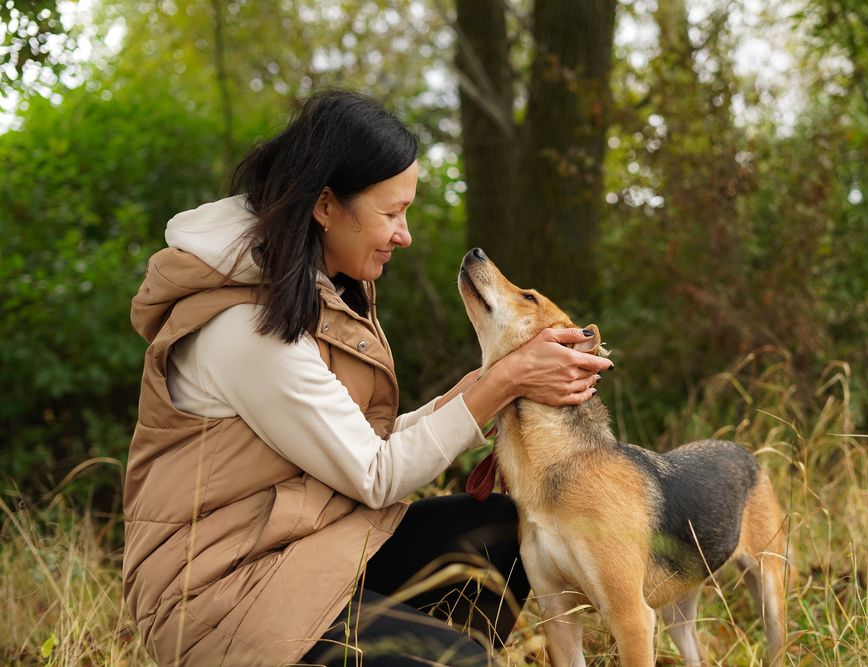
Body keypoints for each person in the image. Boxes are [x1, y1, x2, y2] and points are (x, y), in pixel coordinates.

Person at [122, 89, 613, 666]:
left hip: (307, 546)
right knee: (452, 661)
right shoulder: (246, 329)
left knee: (495, 532)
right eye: (391, 212)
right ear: (325, 206)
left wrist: (504, 380)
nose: (403, 234)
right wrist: (502, 383)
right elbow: (375, 474)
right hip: (222, 594)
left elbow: (356, 444)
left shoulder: (308, 285)